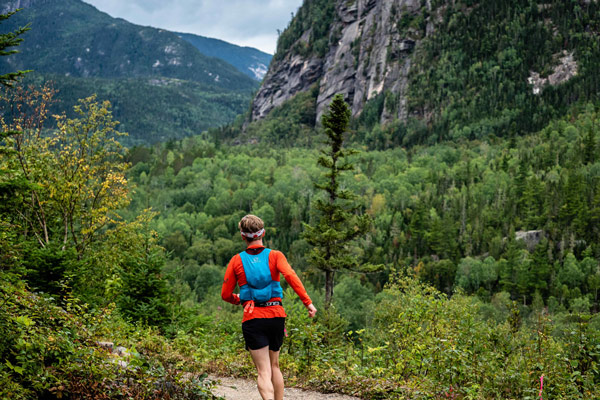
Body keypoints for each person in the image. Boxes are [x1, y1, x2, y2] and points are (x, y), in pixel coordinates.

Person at [221, 214, 317, 400]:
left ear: (243, 236)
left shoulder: (236, 261)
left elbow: (225, 295)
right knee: (275, 367)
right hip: (276, 315)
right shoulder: (275, 256)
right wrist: (308, 303)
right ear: (263, 233)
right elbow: (291, 276)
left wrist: (239, 299)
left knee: (263, 372)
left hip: (253, 318)